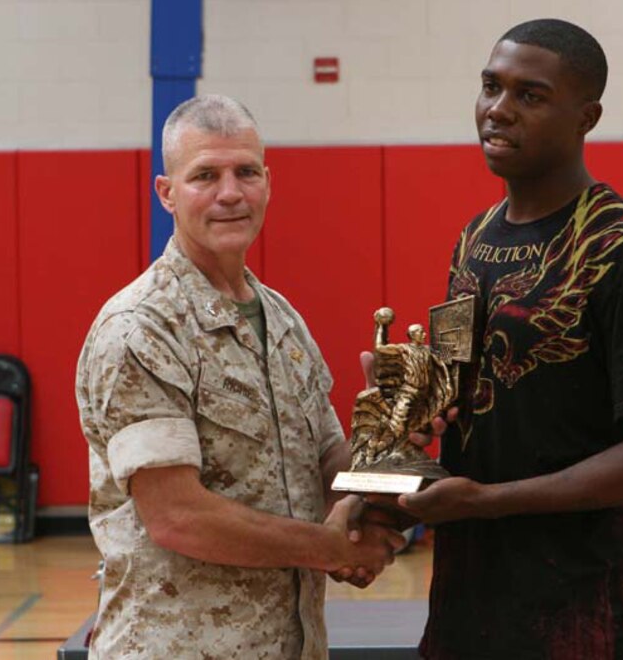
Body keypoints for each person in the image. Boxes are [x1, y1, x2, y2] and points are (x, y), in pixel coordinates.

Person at [398, 19, 623, 659]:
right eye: (491, 86)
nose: (498, 110)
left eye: (530, 95)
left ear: (586, 117)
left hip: (589, 613)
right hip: (468, 606)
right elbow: (459, 386)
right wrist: (409, 408)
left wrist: (490, 503)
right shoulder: (474, 238)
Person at [75, 94, 404, 659]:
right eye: (205, 175)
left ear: (268, 184)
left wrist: (390, 435)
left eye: (245, 172)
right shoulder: (141, 329)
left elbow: (326, 467)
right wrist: (328, 548)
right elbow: (178, 517)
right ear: (167, 193)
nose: (230, 193)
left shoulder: (281, 319)